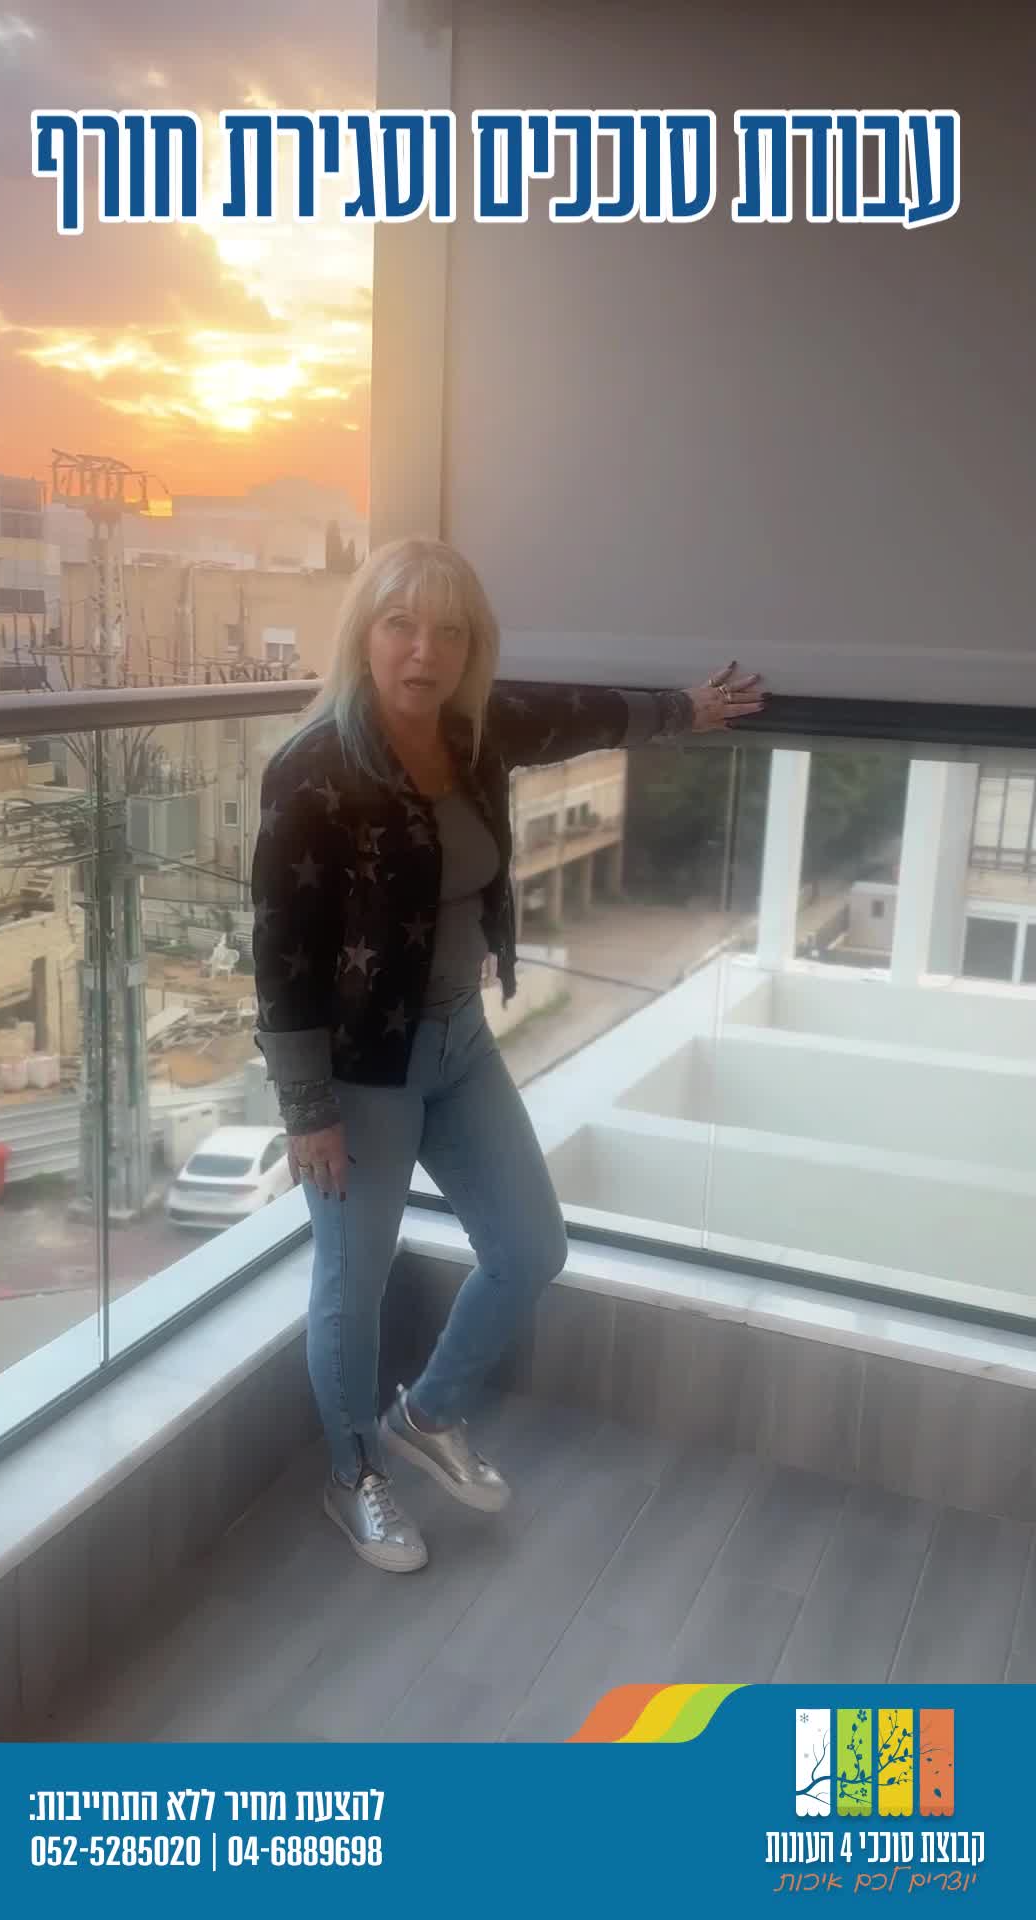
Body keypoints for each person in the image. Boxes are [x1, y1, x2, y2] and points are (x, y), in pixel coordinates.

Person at [251, 537, 765, 1572]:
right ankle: (353, 1477)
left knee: (531, 1248)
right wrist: (308, 1110)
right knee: (352, 1284)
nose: (424, 650)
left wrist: (687, 709)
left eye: (449, 631)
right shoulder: (313, 769)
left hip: (460, 1044)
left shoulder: (475, 729)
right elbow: (281, 952)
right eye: (401, 624)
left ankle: (425, 1415)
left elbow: (581, 714)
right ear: (364, 634)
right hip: (361, 1072)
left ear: (472, 646)